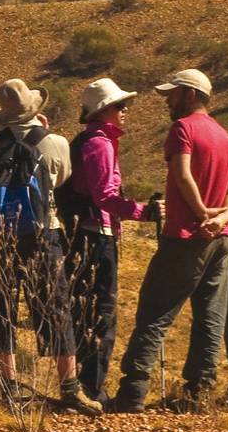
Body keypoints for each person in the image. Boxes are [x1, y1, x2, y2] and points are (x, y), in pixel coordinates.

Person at [111, 69, 228, 413]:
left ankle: (133, 394)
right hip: (221, 239)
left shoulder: (183, 129)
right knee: (210, 316)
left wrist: (200, 213)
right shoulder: (226, 137)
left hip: (185, 236)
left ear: (189, 94)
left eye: (172, 94)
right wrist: (221, 219)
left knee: (155, 312)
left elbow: (182, 173)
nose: (167, 101)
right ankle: (199, 393)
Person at [0, 79, 101, 415]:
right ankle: (69, 388)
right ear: (34, 109)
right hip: (44, 234)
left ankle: (8, 388)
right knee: (55, 308)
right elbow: (63, 180)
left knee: (1, 307)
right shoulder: (54, 142)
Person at [62, 78, 160, 401]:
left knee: (85, 311)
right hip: (97, 237)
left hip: (84, 236)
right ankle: (93, 388)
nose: (125, 111)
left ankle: (82, 386)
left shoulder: (87, 142)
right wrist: (143, 212)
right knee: (100, 312)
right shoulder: (99, 145)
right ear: (105, 110)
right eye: (120, 106)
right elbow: (105, 196)